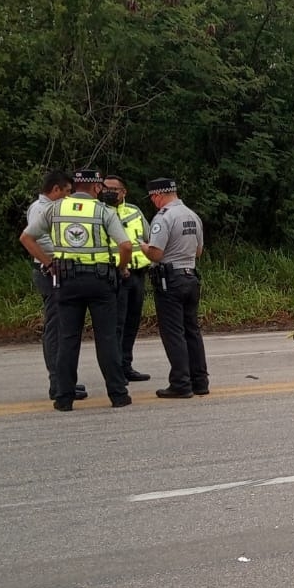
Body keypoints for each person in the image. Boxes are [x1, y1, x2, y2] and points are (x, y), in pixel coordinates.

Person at [20, 168, 134, 411]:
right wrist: (121, 269)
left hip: (67, 282)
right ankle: (118, 394)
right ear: (96, 188)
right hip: (100, 282)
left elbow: (26, 238)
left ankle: (64, 398)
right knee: (106, 339)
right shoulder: (103, 210)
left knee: (67, 339)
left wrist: (49, 264)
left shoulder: (54, 209)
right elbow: (125, 246)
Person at [141, 177, 208, 399]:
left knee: (173, 333)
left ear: (157, 195)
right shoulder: (192, 215)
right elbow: (198, 251)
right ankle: (200, 381)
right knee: (192, 331)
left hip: (169, 280)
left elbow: (156, 253)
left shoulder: (164, 217)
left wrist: (143, 247)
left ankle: (181, 382)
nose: (153, 202)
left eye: (152, 198)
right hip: (190, 276)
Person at [24, 169, 86, 403]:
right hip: (49, 272)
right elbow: (36, 240)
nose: (69, 196)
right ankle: (57, 382)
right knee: (55, 326)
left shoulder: (52, 209)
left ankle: (63, 379)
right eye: (67, 191)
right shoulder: (41, 209)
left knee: (61, 325)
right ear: (56, 189)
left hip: (56, 270)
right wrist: (52, 263)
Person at [102, 174, 153, 382]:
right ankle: (115, 372)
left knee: (132, 322)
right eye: (106, 187)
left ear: (124, 192)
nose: (110, 191)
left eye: (114, 189)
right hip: (113, 274)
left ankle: (126, 365)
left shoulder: (134, 211)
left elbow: (149, 237)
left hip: (137, 274)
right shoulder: (100, 212)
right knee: (117, 324)